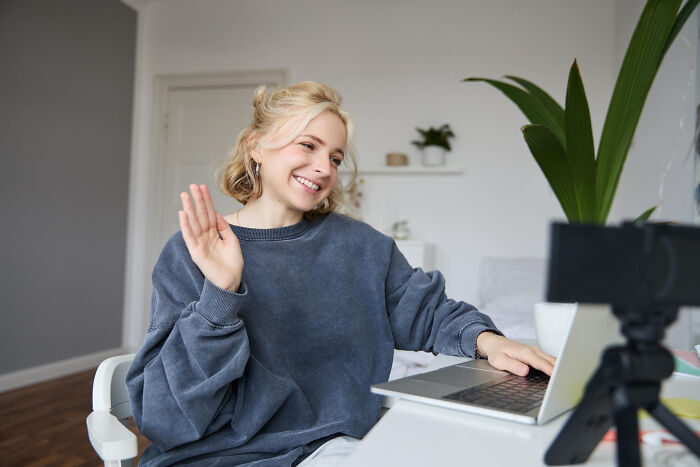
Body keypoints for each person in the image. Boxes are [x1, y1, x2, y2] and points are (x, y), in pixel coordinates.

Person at [126, 81, 555, 466]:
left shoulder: (362, 247)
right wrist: (221, 293)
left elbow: (426, 311)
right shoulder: (193, 252)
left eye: (335, 156)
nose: (325, 167)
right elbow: (165, 418)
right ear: (256, 146)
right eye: (308, 146)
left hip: (335, 445)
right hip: (225, 457)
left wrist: (489, 341)